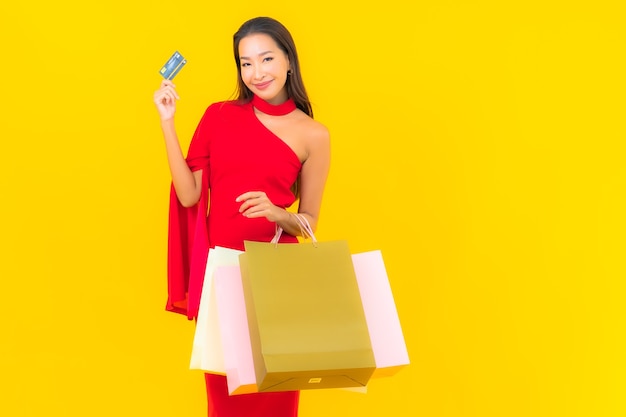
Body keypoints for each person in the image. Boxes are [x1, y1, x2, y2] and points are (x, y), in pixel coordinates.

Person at [153, 16, 331, 417]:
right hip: (225, 278)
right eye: (246, 63)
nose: (256, 72)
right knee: (224, 405)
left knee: (277, 403)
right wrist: (168, 123)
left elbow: (310, 224)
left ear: (288, 59)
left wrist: (276, 213)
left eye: (266, 58)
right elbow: (189, 194)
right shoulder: (218, 116)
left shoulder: (314, 135)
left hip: (279, 282)